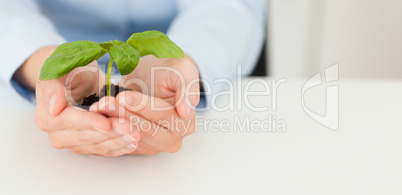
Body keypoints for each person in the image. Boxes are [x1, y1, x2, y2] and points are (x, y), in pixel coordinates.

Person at [0, 0, 266, 156]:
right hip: (49, 47)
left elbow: (226, 7)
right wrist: (39, 59)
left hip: (185, 48)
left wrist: (183, 62)